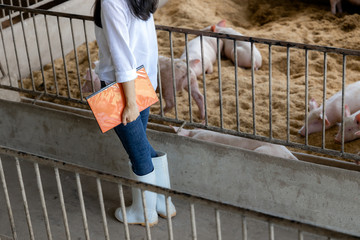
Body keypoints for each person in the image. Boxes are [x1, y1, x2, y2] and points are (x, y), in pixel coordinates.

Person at [93, 0, 175, 226]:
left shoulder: (111, 2)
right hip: (144, 77)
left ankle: (144, 213)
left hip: (120, 86)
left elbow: (121, 55)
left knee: (137, 152)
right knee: (140, 144)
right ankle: (162, 202)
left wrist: (129, 103)